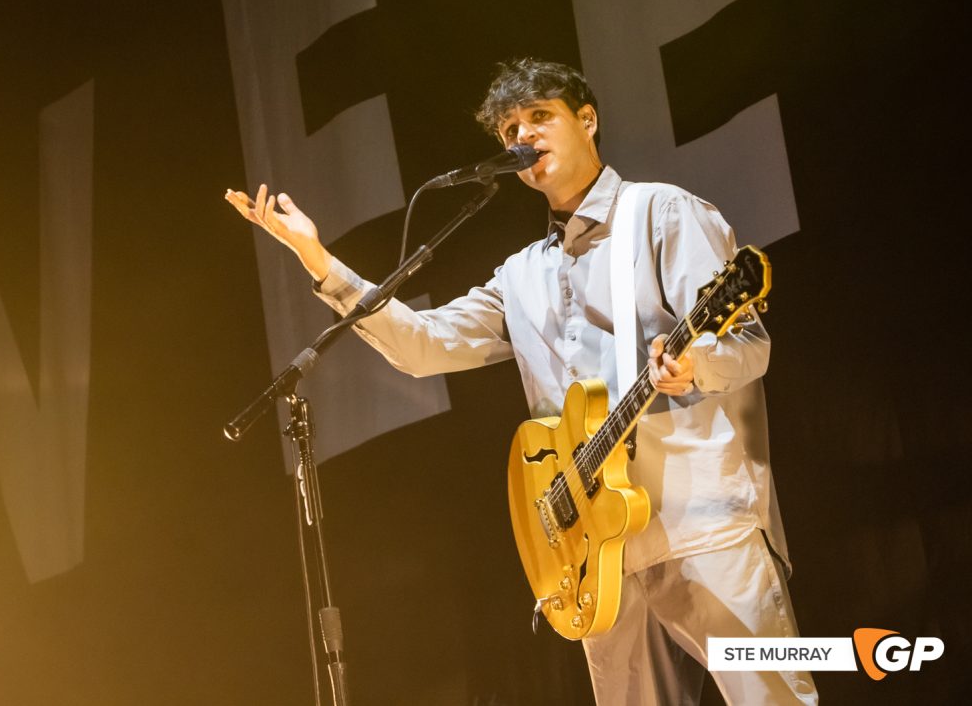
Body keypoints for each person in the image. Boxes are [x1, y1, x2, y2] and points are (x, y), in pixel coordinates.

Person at [225, 58, 815, 705]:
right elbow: (424, 345)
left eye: (540, 116)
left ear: (586, 120)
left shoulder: (663, 212)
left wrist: (695, 365)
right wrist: (316, 257)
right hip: (595, 556)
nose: (524, 136)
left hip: (704, 524)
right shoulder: (520, 275)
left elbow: (749, 344)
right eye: (510, 128)